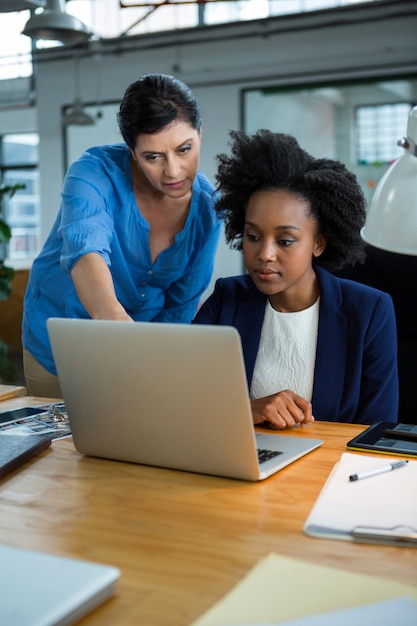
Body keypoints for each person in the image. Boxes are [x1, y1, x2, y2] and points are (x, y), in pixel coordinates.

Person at [22, 73, 222, 397]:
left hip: (138, 355)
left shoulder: (208, 209)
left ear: (199, 134)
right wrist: (112, 319)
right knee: (61, 447)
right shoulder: (92, 172)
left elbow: (181, 304)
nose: (173, 171)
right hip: (58, 345)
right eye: (153, 157)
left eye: (184, 149)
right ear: (132, 150)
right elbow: (85, 248)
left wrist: (153, 365)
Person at [193, 130, 399, 428]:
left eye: (285, 240)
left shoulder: (369, 312)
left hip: (330, 470)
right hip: (241, 464)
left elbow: (378, 430)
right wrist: (245, 410)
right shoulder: (228, 298)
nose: (264, 254)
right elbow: (186, 400)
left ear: (318, 243)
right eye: (253, 236)